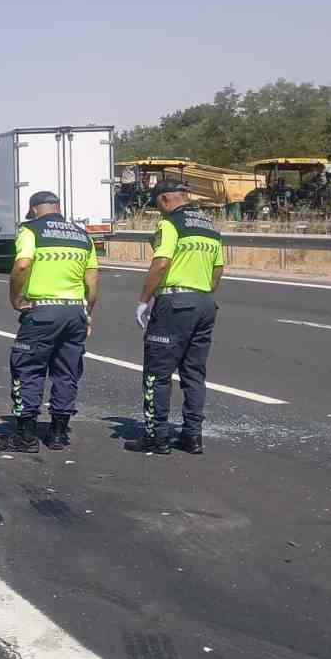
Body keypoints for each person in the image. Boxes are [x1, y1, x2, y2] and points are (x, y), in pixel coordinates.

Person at [0, 191, 99, 453]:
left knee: (28, 368)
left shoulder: (31, 231)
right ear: (58, 207)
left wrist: (15, 297)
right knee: (67, 371)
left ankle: (26, 436)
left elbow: (21, 266)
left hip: (43, 311)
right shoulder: (82, 235)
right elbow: (92, 280)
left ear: (32, 210)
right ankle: (59, 433)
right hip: (74, 310)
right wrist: (88, 312)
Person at [128, 178, 223, 455]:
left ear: (165, 199)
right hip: (205, 302)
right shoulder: (210, 228)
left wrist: (144, 300)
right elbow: (218, 271)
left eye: (158, 204)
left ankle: (156, 436)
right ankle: (192, 437)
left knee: (157, 373)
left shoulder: (169, 224)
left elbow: (161, 263)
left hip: (175, 303)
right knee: (193, 374)